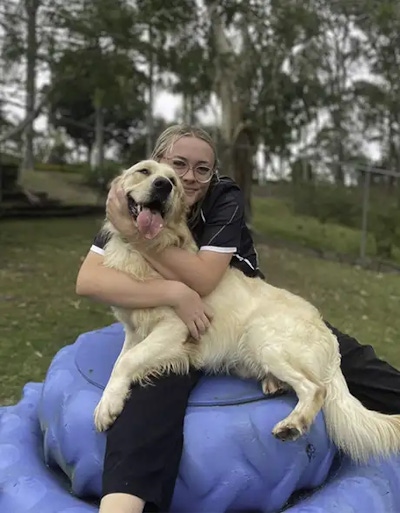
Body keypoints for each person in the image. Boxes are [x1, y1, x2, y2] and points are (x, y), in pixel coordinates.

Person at [76, 124, 400, 513]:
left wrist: (135, 235)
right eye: (177, 164)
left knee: (359, 366)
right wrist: (170, 289)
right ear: (157, 162)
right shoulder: (132, 203)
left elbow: (203, 279)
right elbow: (89, 279)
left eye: (202, 168)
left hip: (252, 312)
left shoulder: (222, 198)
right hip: (193, 328)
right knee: (148, 404)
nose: (188, 176)